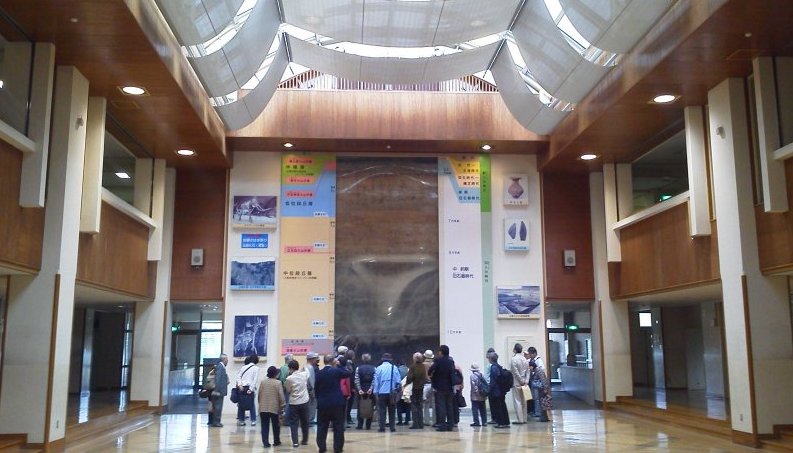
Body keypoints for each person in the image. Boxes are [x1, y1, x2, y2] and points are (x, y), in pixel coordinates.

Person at [314, 354, 351, 453]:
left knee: (322, 426)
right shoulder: (336, 371)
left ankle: (322, 447)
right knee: (338, 426)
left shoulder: (319, 373)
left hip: (323, 403)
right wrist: (339, 365)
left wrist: (319, 399)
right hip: (337, 403)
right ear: (333, 361)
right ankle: (338, 448)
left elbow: (316, 389)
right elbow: (348, 373)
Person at [371, 352, 401, 432]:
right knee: (392, 411)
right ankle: (392, 427)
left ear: (382, 359)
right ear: (390, 359)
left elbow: (376, 382)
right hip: (392, 392)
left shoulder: (378, 368)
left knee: (382, 410)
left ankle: (382, 427)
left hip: (382, 393)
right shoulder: (394, 368)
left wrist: (375, 393)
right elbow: (398, 381)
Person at [428, 345, 455, 432]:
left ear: (441, 352)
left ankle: (442, 425)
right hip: (449, 386)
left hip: (440, 387)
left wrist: (432, 376)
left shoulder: (438, 361)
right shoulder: (451, 362)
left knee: (441, 406)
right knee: (449, 406)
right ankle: (450, 425)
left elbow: (430, 370)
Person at [285, 359, 310, 447]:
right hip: (304, 401)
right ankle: (305, 440)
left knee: (294, 423)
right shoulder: (304, 375)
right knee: (305, 422)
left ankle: (295, 442)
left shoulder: (289, 379)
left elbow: (288, 390)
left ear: (291, 368)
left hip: (294, 403)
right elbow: (307, 371)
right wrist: (304, 367)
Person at [257, 366, 285, 447]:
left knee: (264, 425)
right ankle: (276, 441)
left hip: (263, 407)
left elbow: (259, 394)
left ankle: (265, 443)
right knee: (276, 425)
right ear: (275, 374)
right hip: (274, 407)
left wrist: (260, 403)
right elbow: (281, 395)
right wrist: (282, 405)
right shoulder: (278, 383)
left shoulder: (263, 382)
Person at [405, 352, 428, 429]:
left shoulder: (412, 367)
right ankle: (421, 423)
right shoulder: (423, 366)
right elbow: (425, 378)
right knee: (420, 405)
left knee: (414, 405)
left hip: (414, 388)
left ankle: (415, 424)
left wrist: (406, 384)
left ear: (414, 359)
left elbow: (409, 378)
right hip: (421, 387)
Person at [487, 353, 510, 428]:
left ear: (491, 359)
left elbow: (494, 380)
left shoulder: (493, 367)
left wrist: (489, 389)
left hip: (496, 391)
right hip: (501, 390)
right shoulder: (499, 366)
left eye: (489, 358)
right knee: (503, 406)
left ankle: (500, 423)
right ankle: (506, 422)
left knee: (498, 407)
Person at [354, 353, 376, 430]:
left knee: (360, 406)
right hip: (370, 391)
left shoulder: (358, 368)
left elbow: (357, 379)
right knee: (370, 406)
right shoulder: (374, 368)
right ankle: (368, 425)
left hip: (361, 390)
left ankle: (360, 424)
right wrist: (371, 389)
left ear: (362, 359)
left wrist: (359, 389)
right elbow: (374, 380)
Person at [236, 354, 260, 426]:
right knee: (251, 404)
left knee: (241, 404)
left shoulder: (243, 367)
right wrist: (251, 389)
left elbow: (238, 376)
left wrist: (240, 385)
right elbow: (254, 380)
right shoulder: (256, 368)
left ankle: (241, 420)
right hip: (249, 387)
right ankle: (253, 420)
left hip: (242, 387)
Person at [510, 343, 529, 424]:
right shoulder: (524, 359)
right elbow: (528, 371)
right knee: (524, 401)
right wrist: (526, 381)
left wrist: (520, 380)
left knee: (517, 401)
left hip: (517, 382)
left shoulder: (514, 359)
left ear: (514, 349)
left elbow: (515, 372)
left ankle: (520, 419)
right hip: (525, 383)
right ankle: (524, 419)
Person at [209, 354, 229, 427]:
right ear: (224, 359)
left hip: (220, 390)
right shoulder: (220, 367)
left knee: (217, 406)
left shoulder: (220, 366)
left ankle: (216, 421)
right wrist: (216, 390)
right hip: (219, 391)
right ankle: (216, 422)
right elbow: (218, 379)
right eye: (227, 359)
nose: (227, 361)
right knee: (218, 407)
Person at [526, 346, 545, 417]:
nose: (530, 355)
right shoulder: (530, 360)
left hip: (537, 382)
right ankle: (535, 411)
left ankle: (538, 412)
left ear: (534, 353)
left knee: (537, 398)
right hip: (532, 381)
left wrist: (534, 370)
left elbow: (541, 370)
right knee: (534, 397)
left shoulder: (538, 360)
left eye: (530, 354)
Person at [305, 351, 320, 425]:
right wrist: (312, 391)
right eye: (315, 359)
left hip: (307, 390)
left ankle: (309, 419)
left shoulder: (305, 367)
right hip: (311, 390)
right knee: (311, 405)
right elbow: (311, 381)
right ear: (311, 359)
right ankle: (309, 420)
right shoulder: (310, 368)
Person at [421, 349, 435, 426]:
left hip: (425, 385)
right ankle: (435, 421)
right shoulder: (434, 364)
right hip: (433, 384)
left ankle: (426, 421)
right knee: (434, 404)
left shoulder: (422, 365)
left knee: (426, 404)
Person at [343, 349, 357, 426]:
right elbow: (351, 377)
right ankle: (347, 418)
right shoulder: (350, 364)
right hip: (349, 387)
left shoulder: (345, 363)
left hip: (346, 387)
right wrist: (353, 387)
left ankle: (347, 418)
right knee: (349, 404)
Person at [395, 360, 411, 425]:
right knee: (407, 406)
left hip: (399, 390)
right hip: (407, 390)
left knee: (399, 406)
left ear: (399, 364)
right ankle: (407, 421)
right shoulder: (409, 370)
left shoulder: (397, 370)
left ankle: (400, 421)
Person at [279, 353, 294, 421]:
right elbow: (282, 378)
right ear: (288, 360)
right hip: (286, 388)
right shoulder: (286, 368)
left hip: (285, 388)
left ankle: (285, 418)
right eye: (292, 359)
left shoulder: (282, 367)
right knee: (287, 403)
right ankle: (286, 419)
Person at [484, 348, 496, 424]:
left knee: (492, 403)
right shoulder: (495, 365)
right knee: (494, 403)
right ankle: (495, 418)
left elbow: (487, 377)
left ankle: (494, 418)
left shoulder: (490, 366)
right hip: (494, 386)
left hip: (490, 386)